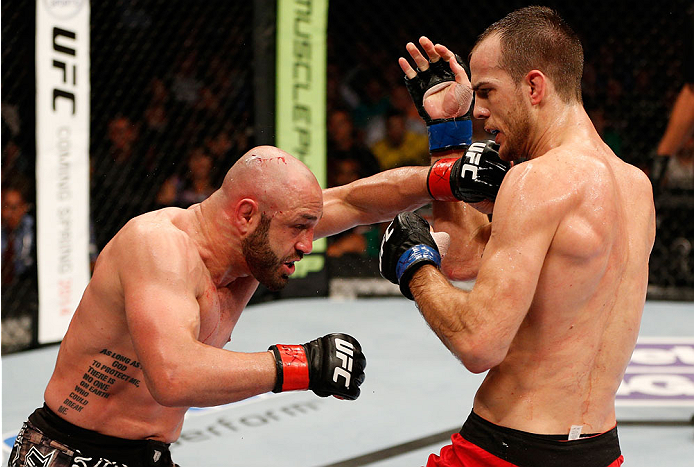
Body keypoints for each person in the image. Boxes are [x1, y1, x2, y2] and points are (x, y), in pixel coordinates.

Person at [9, 143, 502, 467]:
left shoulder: (255, 247)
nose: (309, 244)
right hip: (67, 454)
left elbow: (355, 202)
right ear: (247, 214)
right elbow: (173, 376)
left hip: (147, 455)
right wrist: (301, 363)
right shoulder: (158, 247)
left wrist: (445, 178)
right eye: (300, 227)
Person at [379, 6, 655, 467]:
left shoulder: (537, 181)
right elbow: (467, 256)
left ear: (534, 86)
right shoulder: (636, 187)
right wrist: (448, 131)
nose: (479, 109)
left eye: (486, 91)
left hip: (506, 450)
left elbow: (478, 342)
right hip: (600, 451)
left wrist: (414, 268)